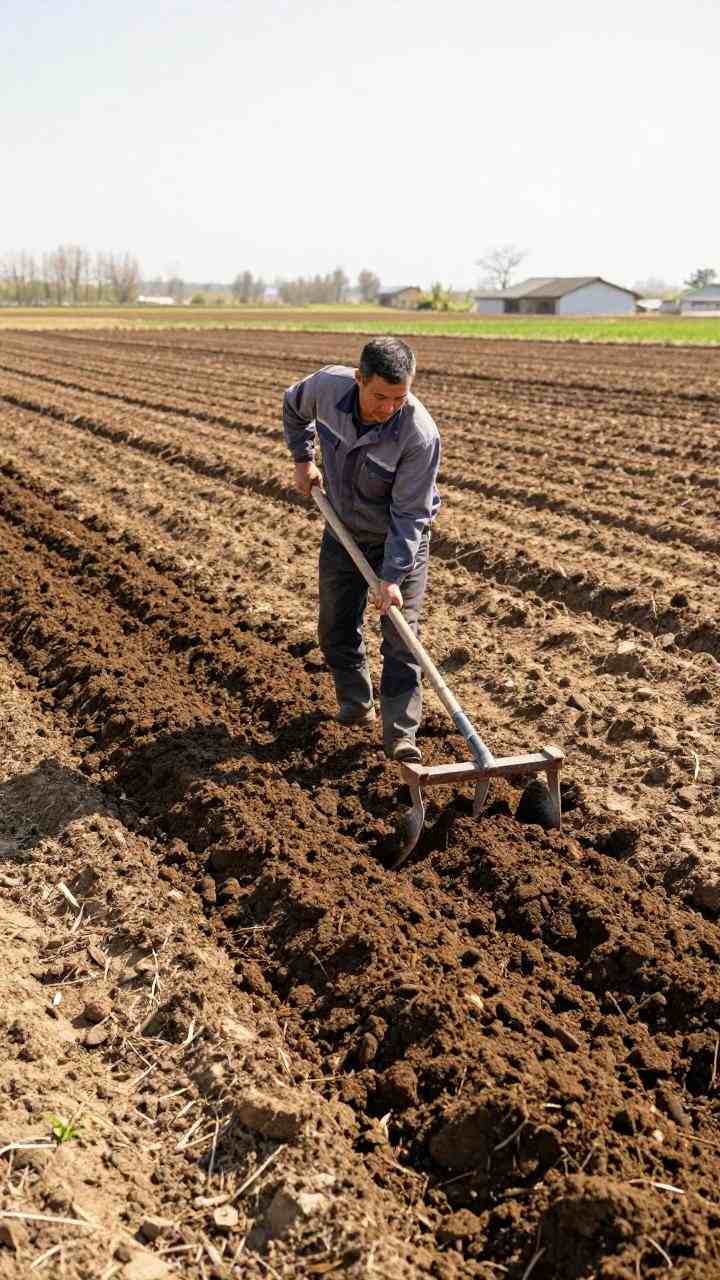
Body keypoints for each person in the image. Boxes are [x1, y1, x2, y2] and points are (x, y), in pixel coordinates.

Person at [283, 336, 441, 763]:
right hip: (343, 529)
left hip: (398, 539)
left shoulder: (419, 435)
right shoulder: (326, 388)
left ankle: (401, 738)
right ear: (359, 379)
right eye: (380, 397)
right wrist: (303, 459)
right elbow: (293, 406)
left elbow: (410, 515)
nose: (389, 407)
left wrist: (392, 576)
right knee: (335, 625)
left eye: (399, 398)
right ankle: (355, 704)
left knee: (401, 636)